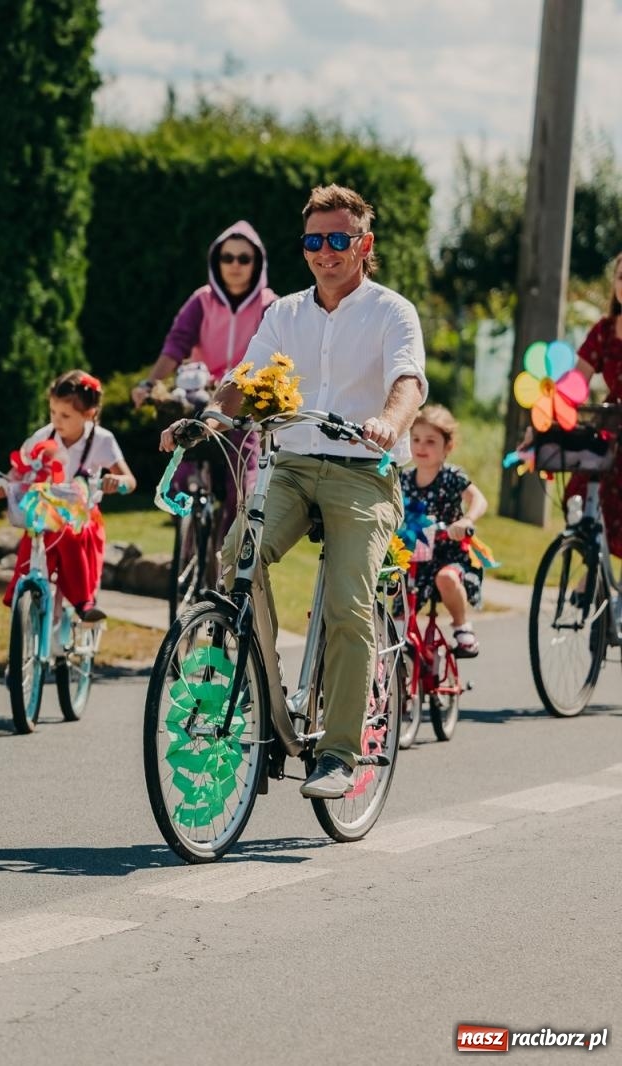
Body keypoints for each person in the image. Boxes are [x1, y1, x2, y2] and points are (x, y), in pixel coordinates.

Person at [161, 184, 425, 800]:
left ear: (364, 244)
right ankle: (263, 696)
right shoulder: (284, 314)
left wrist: (388, 422)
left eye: (339, 239)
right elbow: (245, 381)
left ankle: (337, 752)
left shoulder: (392, 311)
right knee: (236, 560)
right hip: (292, 467)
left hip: (364, 472)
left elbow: (409, 382)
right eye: (314, 241)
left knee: (347, 604)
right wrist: (210, 418)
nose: (326, 252)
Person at [133, 221, 276, 536]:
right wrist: (149, 383)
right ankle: (186, 520)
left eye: (244, 258)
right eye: (227, 258)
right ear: (216, 262)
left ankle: (231, 547)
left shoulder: (271, 305)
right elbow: (176, 344)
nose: (235, 266)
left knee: (244, 479)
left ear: (258, 263)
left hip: (245, 402)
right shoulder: (201, 300)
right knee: (186, 439)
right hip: (201, 395)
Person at [1, 370, 136, 624]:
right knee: (31, 541)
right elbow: (16, 472)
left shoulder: (102, 440)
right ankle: (20, 595)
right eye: (52, 412)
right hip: (45, 514)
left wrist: (117, 481)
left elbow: (130, 480)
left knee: (70, 536)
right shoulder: (44, 436)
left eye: (65, 415)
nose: (56, 420)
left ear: (89, 414)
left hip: (81, 519)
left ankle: (83, 603)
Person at [402, 405, 487, 657]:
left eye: (430, 441)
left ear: (447, 447)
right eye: (416, 439)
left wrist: (466, 521)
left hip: (449, 555)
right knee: (395, 589)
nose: (421, 447)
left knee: (446, 579)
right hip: (416, 557)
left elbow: (479, 500)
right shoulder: (404, 479)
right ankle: (400, 658)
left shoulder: (452, 477)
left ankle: (462, 627)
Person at [563, 252, 622, 557]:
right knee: (580, 490)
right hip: (612, 424)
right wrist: (556, 409)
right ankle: (594, 565)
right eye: (621, 277)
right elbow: (578, 380)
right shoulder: (604, 330)